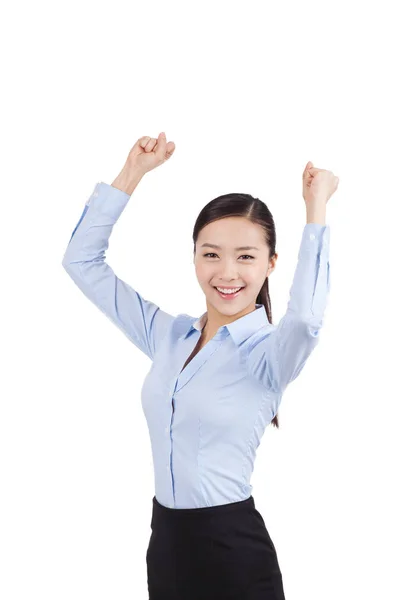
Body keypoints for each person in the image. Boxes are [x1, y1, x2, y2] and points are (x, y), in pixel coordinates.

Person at [62, 132, 339, 599]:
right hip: (166, 546)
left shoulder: (270, 356)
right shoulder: (167, 335)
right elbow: (81, 261)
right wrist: (132, 173)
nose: (227, 273)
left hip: (235, 554)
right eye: (211, 254)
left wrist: (316, 211)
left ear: (271, 264)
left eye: (246, 257)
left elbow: (307, 318)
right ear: (194, 257)